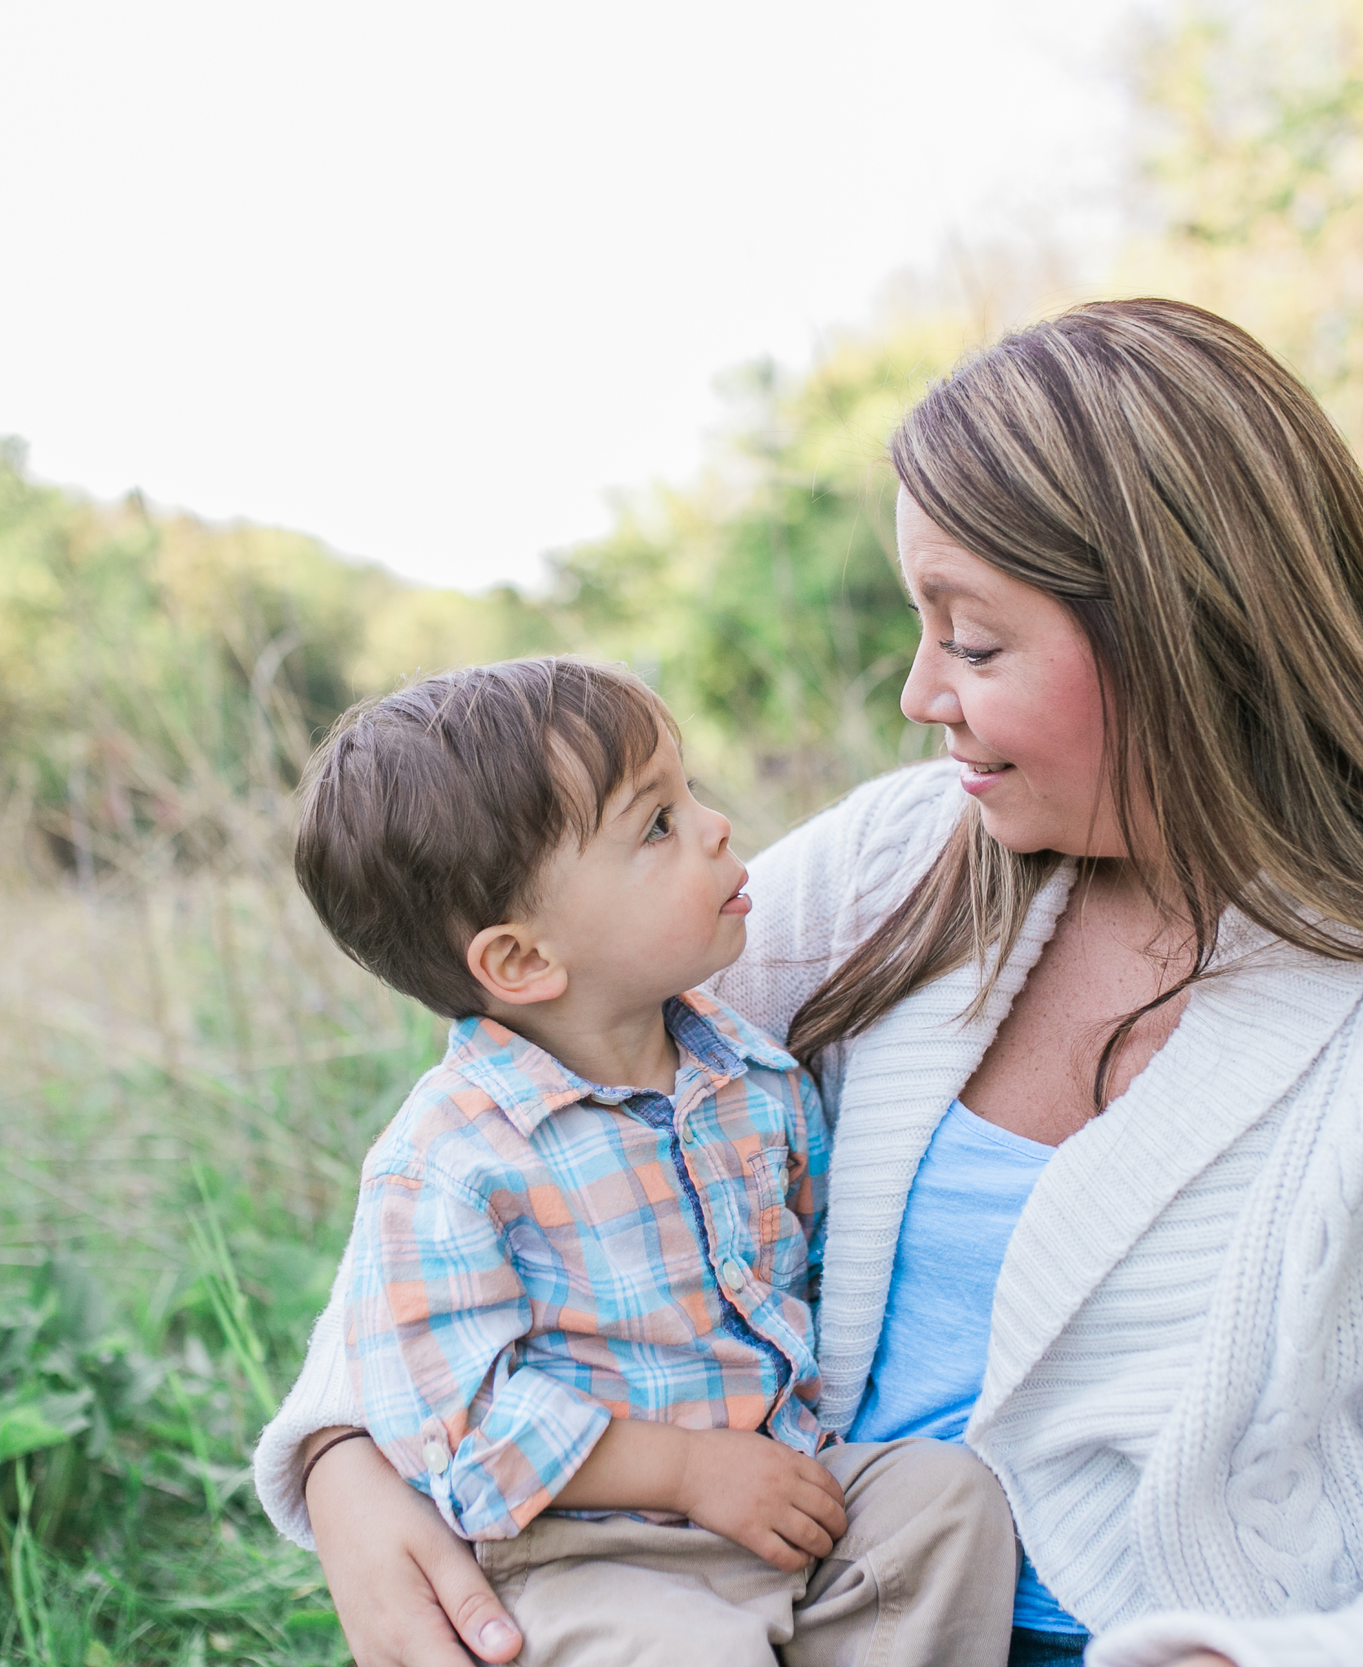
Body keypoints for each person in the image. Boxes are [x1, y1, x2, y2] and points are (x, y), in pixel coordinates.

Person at [255, 299, 1363, 1667]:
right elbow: (519, 1119)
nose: (919, 692)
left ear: (1190, 634)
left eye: (974, 636)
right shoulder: (907, 862)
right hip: (776, 1598)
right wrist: (341, 1453)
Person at [281, 657, 1018, 1667]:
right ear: (523, 960)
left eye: (689, 794)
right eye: (657, 824)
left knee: (943, 1500)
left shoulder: (753, 1078)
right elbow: (454, 1420)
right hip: (585, 1547)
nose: (716, 826)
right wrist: (684, 1470)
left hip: (771, 1496)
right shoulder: (450, 1161)